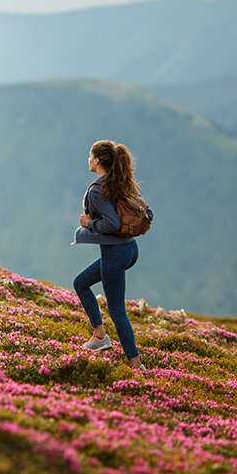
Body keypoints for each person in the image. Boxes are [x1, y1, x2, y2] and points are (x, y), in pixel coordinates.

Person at [72, 140, 152, 370]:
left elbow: (112, 223)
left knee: (117, 311)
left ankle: (136, 364)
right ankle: (99, 336)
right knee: (81, 283)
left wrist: (89, 223)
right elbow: (146, 210)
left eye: (90, 155)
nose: (88, 159)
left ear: (97, 160)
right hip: (130, 249)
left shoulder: (98, 190)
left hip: (115, 253)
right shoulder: (119, 182)